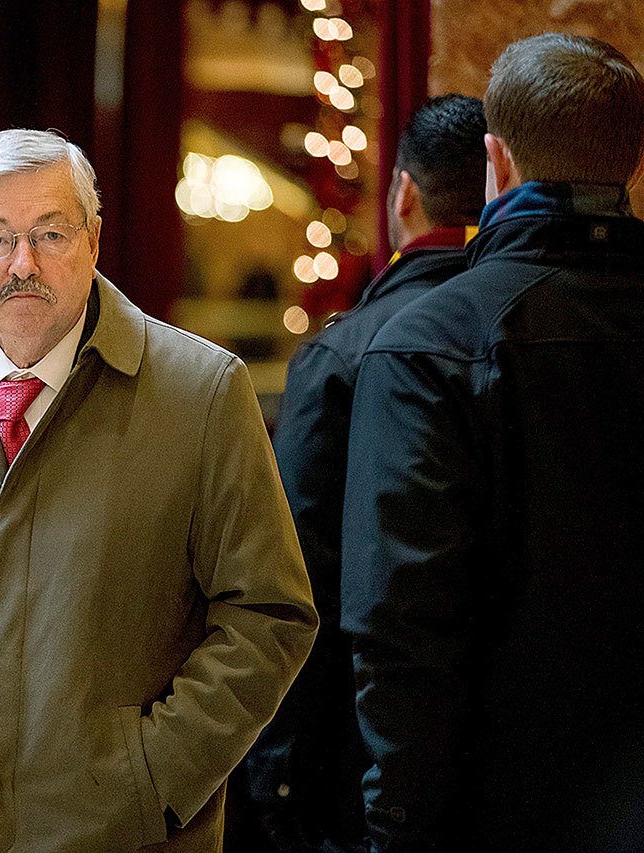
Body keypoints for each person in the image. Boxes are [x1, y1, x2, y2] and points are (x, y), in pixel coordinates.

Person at [0, 128, 318, 851]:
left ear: (94, 241)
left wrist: (152, 777)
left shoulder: (201, 392)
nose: (22, 264)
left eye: (50, 234)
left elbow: (268, 614)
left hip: (119, 835)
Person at [342, 33, 644, 851]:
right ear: (632, 167)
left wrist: (397, 822)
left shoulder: (428, 340)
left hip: (496, 805)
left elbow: (401, 618)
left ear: (496, 163)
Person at [236, 94, 486, 853]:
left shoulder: (346, 350)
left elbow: (295, 567)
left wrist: (274, 769)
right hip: (516, 740)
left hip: (361, 751)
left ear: (402, 193)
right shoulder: (518, 318)